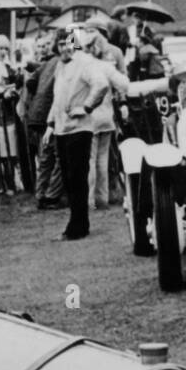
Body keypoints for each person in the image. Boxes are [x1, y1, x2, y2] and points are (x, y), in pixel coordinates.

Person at [45, 28, 108, 240]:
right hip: (62, 129)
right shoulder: (60, 67)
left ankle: (78, 226)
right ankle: (77, 222)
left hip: (80, 129)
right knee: (68, 179)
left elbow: (101, 85)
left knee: (77, 177)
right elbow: (57, 97)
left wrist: (86, 107)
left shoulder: (85, 63)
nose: (65, 48)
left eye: (69, 43)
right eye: (61, 44)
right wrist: (50, 125)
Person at [84, 27, 129, 210]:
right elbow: (124, 84)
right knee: (103, 160)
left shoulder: (85, 66)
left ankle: (89, 200)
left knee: (90, 161)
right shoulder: (107, 66)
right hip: (107, 116)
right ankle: (103, 198)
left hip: (90, 116)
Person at [22, 36, 64, 209]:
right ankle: (51, 196)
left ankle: (40, 194)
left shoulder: (48, 62)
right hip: (52, 113)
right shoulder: (65, 64)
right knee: (60, 156)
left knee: (45, 155)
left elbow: (30, 81)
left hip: (38, 114)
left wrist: (39, 94)